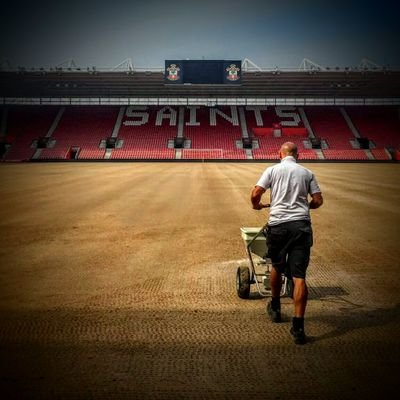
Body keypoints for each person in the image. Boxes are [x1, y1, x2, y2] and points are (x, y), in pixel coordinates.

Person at [250, 142, 323, 344]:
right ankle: (298, 328)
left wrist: (256, 206)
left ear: (279, 153)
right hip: (301, 226)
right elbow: (318, 200)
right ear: (297, 155)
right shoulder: (307, 172)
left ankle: (275, 307)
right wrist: (305, 206)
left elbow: (256, 193)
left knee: (276, 266)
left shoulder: (272, 170)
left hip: (279, 226)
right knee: (299, 277)